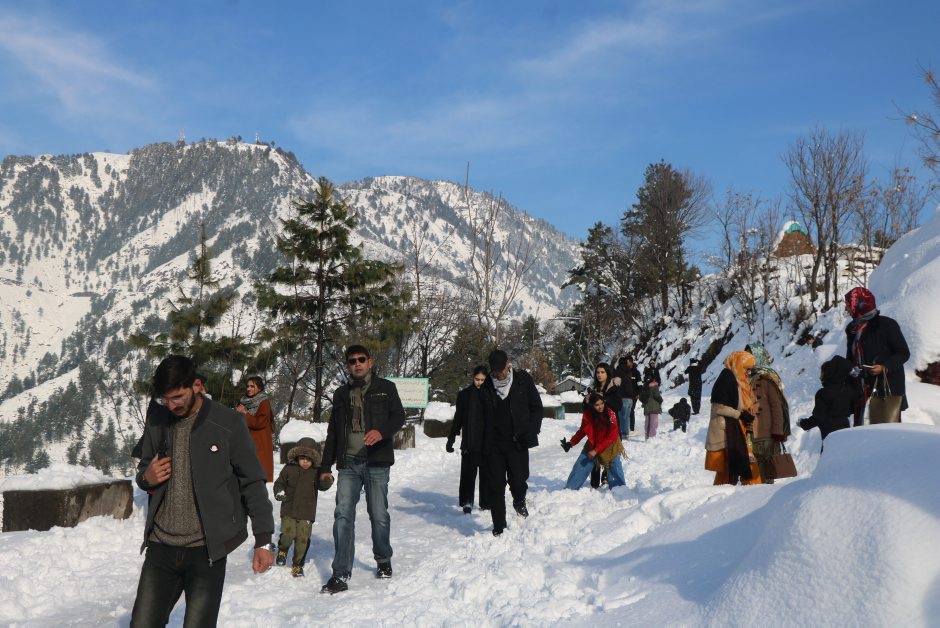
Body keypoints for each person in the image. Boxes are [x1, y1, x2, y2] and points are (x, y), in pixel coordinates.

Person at [131, 355, 275, 627]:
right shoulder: (158, 417)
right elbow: (145, 467)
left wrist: (263, 540)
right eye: (165, 399)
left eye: (177, 397)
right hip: (161, 547)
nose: (171, 405)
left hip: (207, 551)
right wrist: (145, 478)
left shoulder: (228, 422)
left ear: (196, 385)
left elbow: (252, 481)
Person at [319, 345, 406, 594]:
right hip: (348, 463)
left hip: (377, 461)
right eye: (352, 361)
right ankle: (340, 572)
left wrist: (382, 432)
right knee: (342, 515)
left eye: (361, 359)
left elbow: (399, 416)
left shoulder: (386, 388)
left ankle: (383, 559)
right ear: (347, 365)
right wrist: (325, 466)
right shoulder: (341, 394)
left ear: (370, 362)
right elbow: (334, 432)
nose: (356, 364)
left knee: (378, 515)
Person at [481, 349, 543, 537]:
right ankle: (499, 526)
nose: (499, 374)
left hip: (518, 441)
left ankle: (519, 500)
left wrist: (532, 430)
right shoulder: (486, 386)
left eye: (501, 369)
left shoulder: (523, 380)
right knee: (495, 486)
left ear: (508, 364)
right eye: (496, 371)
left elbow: (536, 407)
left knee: (518, 480)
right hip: (494, 445)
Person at [844, 287, 911, 426]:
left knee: (884, 432)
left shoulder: (886, 325)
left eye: (848, 305)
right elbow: (851, 358)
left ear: (860, 304)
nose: (846, 309)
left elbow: (903, 353)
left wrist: (884, 367)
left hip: (885, 391)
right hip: (861, 391)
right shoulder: (852, 329)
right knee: (861, 433)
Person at [273, 437, 333, 578]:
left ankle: (297, 564)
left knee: (302, 540)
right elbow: (279, 483)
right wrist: (279, 492)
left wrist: (326, 481)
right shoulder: (289, 469)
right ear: (297, 457)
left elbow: (322, 486)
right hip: (289, 509)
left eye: (308, 459)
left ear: (314, 459)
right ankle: (283, 550)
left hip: (307, 512)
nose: (305, 462)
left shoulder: (316, 472)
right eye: (302, 458)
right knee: (287, 535)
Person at [704, 351, 762, 485]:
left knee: (729, 468)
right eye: (747, 369)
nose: (748, 373)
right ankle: (755, 490)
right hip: (725, 429)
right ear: (739, 365)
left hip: (735, 427)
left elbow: (740, 403)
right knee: (745, 463)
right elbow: (718, 407)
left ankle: (721, 493)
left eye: (750, 370)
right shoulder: (726, 378)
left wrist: (747, 411)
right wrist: (740, 415)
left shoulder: (739, 380)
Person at [446, 366, 491, 513]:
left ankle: (486, 502)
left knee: (486, 474)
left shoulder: (491, 394)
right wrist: (451, 438)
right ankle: (467, 501)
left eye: (483, 380)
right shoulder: (464, 395)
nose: (480, 382)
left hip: (487, 441)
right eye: (477, 379)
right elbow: (458, 418)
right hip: (469, 441)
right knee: (468, 474)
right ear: (473, 378)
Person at [560, 393, 625, 490]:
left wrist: (596, 450)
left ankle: (620, 490)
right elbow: (582, 430)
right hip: (593, 444)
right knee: (581, 465)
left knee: (615, 469)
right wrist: (571, 443)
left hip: (610, 445)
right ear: (591, 406)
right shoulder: (587, 415)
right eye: (597, 405)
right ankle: (570, 489)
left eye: (602, 403)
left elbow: (612, 435)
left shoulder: (610, 414)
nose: (600, 407)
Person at [747, 343, 789, 484]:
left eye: (750, 355)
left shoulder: (767, 378)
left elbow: (777, 406)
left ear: (758, 356)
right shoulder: (747, 376)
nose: (747, 359)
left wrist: (777, 432)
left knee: (766, 475)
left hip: (766, 434)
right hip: (750, 432)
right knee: (753, 475)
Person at [799, 355, 861, 452]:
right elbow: (858, 394)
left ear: (828, 374)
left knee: (829, 458)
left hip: (829, 436)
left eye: (822, 373)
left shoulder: (823, 393)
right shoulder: (846, 390)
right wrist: (852, 371)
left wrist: (803, 424)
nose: (820, 377)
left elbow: (818, 417)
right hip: (845, 433)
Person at [584, 362, 623, 488]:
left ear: (607, 373)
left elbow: (618, 406)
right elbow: (586, 410)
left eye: (602, 372)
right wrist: (586, 401)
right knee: (594, 453)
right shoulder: (592, 389)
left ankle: (608, 478)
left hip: (611, 428)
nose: (599, 375)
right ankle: (594, 482)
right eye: (597, 372)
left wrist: (603, 400)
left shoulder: (614, 388)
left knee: (611, 455)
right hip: (596, 428)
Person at [235, 376, 274, 482]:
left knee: (256, 477)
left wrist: (245, 413)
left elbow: (260, 423)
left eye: (252, 386)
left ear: (259, 388)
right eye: (247, 386)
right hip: (244, 442)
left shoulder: (264, 402)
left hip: (258, 444)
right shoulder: (243, 401)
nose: (249, 389)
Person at [615, 355, 641, 436]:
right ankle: (626, 430)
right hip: (626, 395)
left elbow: (640, 384)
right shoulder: (625, 371)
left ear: (631, 362)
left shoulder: (635, 372)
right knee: (625, 413)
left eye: (628, 362)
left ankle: (630, 429)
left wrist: (638, 393)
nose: (627, 363)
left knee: (629, 413)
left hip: (632, 395)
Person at [638, 376, 663, 440]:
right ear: (654, 379)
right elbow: (656, 395)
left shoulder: (645, 386)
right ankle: (652, 437)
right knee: (653, 422)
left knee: (647, 422)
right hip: (654, 406)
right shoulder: (654, 385)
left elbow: (641, 397)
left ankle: (646, 436)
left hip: (646, 406)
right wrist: (661, 400)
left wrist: (645, 402)